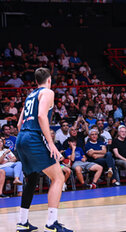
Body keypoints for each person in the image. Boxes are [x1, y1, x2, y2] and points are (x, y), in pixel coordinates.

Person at [15, 68, 72, 231]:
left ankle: (22, 221)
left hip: (22, 138)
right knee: (59, 178)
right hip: (33, 138)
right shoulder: (47, 92)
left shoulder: (29, 96)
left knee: (32, 178)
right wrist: (50, 143)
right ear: (49, 80)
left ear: (36, 81)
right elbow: (41, 116)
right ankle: (51, 224)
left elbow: (19, 124)